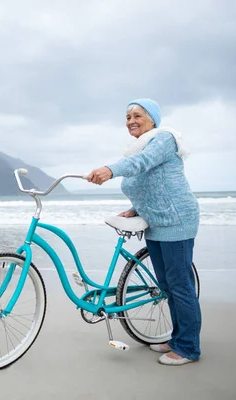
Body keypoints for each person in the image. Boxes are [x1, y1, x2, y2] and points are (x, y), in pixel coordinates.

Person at [86, 98, 201, 366]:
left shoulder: (163, 140)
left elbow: (143, 163)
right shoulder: (137, 147)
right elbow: (152, 186)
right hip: (155, 222)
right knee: (166, 286)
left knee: (180, 286)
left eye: (137, 115)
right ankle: (176, 337)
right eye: (127, 117)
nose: (131, 121)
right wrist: (135, 209)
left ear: (153, 119)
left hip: (176, 221)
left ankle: (188, 347)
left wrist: (110, 170)